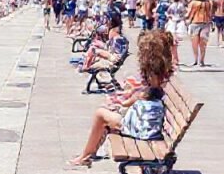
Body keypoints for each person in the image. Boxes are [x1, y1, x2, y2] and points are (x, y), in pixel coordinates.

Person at [68, 30, 174, 166]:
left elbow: (134, 100)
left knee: (100, 114)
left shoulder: (151, 76)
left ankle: (84, 157)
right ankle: (89, 153)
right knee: (108, 113)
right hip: (149, 124)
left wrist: (126, 101)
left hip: (143, 128)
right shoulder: (162, 73)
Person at [185, 0, 213, 67]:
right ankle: (202, 60)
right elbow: (210, 14)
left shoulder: (193, 3)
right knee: (203, 43)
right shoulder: (208, 3)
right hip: (205, 23)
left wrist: (185, 19)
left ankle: (195, 60)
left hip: (195, 23)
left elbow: (189, 14)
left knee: (195, 43)